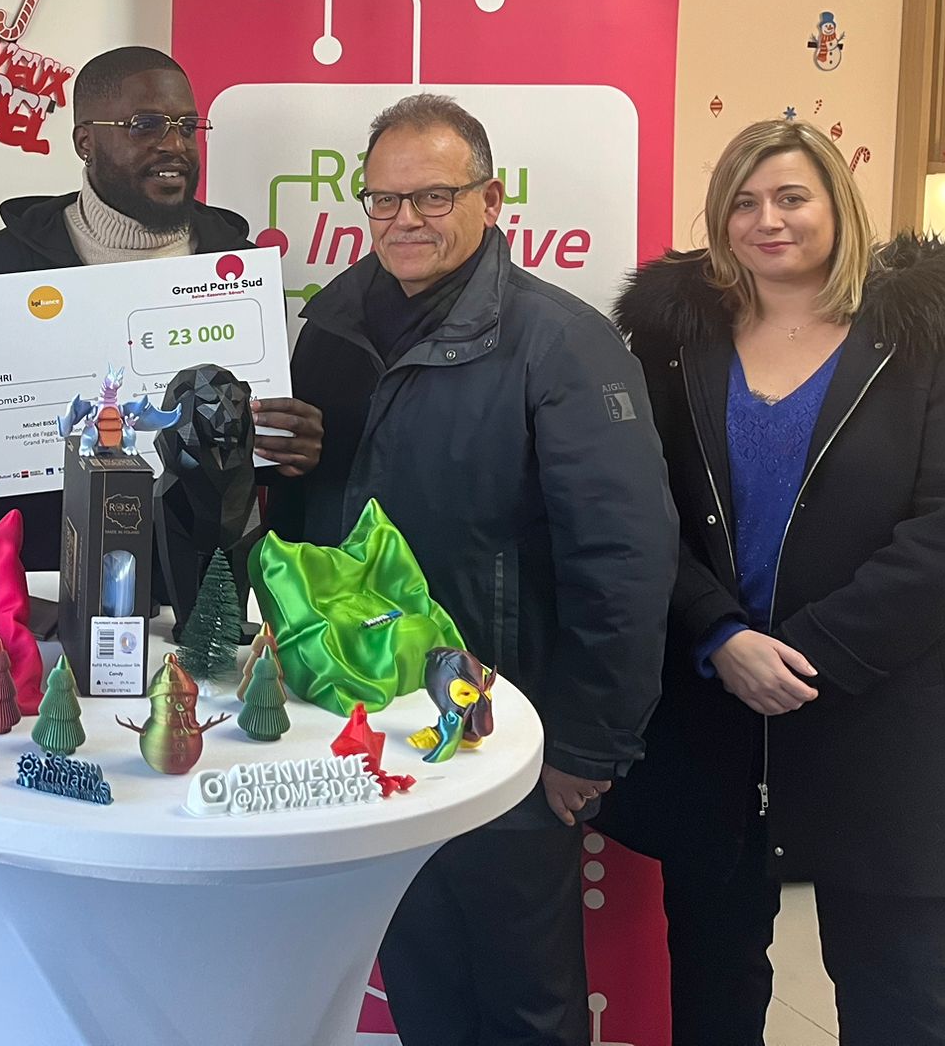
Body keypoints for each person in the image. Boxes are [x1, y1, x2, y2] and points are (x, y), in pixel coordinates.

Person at [269, 92, 677, 1046]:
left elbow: (625, 557)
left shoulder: (562, 343)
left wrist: (586, 746)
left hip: (504, 729)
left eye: (434, 196)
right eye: (384, 199)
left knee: (526, 1002)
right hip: (371, 726)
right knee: (424, 983)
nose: (404, 219)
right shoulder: (332, 323)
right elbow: (307, 522)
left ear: (491, 201)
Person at [606, 119, 945, 1046]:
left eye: (792, 197)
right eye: (743, 203)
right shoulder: (672, 341)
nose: (768, 220)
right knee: (713, 983)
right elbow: (644, 510)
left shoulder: (927, 335)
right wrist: (719, 635)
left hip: (884, 720)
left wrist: (807, 655)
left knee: (900, 994)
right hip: (716, 717)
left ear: (838, 205)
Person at [0, 45, 322, 568]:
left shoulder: (240, 270)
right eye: (145, 125)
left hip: (203, 582)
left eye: (187, 126)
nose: (174, 145)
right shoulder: (0, 267)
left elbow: (256, 452)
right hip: (43, 576)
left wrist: (291, 450)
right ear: (85, 142)